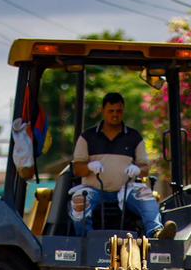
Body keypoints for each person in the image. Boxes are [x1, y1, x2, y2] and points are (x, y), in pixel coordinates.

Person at [71, 92, 175, 239]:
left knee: (147, 198)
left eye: (118, 111)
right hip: (93, 189)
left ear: (123, 111)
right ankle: (85, 239)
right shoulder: (87, 137)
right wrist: (88, 167)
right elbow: (77, 169)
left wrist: (138, 169)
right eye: (111, 111)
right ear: (103, 111)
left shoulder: (134, 137)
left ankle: (156, 233)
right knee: (78, 202)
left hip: (126, 190)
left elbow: (145, 169)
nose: (115, 115)